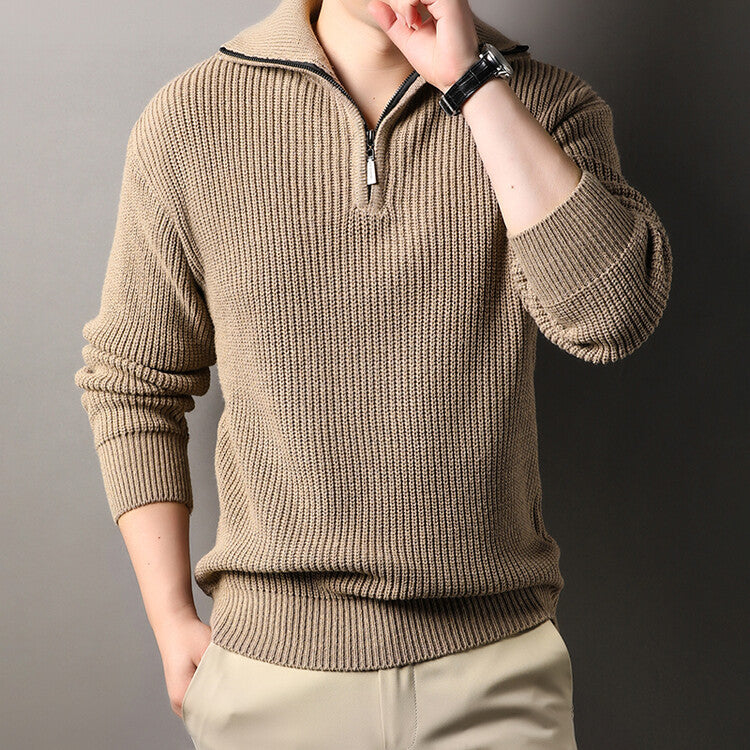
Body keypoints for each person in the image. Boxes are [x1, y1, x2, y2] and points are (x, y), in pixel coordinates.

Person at [73, 0, 672, 747]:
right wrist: (171, 621)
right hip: (272, 671)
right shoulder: (192, 120)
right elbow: (133, 382)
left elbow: (610, 319)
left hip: (496, 670)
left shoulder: (547, 104)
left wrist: (473, 84)